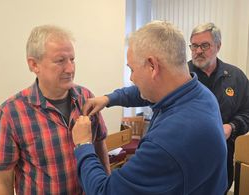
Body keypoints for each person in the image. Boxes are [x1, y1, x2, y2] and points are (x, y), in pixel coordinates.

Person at [72, 21, 227, 195]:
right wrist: (109, 99)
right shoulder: (201, 95)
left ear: (153, 66)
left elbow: (104, 191)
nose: (131, 78)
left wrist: (83, 144)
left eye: (131, 69)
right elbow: (144, 93)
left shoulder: (167, 141)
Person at [0, 25, 110, 194]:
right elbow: (3, 181)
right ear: (34, 64)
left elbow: (100, 146)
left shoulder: (87, 98)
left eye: (72, 59)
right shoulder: (10, 113)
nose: (70, 69)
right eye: (60, 60)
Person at [187, 22, 249, 193]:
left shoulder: (236, 77)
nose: (198, 51)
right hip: (186, 156)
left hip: (222, 159)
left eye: (204, 45)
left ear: (218, 46)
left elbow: (247, 112)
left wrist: (231, 127)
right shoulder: (180, 75)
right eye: (194, 45)